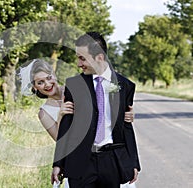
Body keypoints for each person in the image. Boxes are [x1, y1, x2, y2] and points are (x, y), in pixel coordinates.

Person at [19, 58, 136, 188]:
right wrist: (61, 116)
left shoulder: (78, 87)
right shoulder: (44, 113)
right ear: (35, 87)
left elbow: (105, 108)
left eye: (48, 77)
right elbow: (61, 140)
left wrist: (126, 114)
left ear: (54, 74)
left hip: (108, 159)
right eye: (40, 82)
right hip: (81, 163)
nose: (47, 84)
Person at [51, 32, 141, 188]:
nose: (79, 64)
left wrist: (134, 161)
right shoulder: (74, 85)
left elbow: (126, 125)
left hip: (112, 161)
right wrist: (58, 162)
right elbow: (66, 125)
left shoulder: (125, 86)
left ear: (99, 57)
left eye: (82, 58)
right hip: (80, 161)